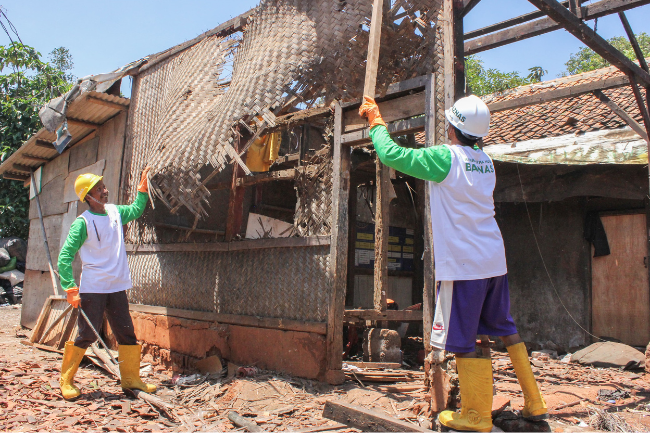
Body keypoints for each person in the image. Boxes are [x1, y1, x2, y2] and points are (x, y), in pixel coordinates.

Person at [359, 95, 547, 432]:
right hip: (493, 260)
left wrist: (376, 121)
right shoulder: (485, 161)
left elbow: (392, 155)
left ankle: (476, 417)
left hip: (464, 266)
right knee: (504, 328)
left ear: (453, 127)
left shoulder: (446, 158)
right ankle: (535, 402)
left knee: (464, 340)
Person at [57, 167, 156, 400]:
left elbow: (135, 209)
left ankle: (131, 380)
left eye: (103, 187)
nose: (105, 191)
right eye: (99, 189)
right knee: (87, 335)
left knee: (126, 333)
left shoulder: (114, 212)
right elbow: (64, 257)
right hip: (93, 287)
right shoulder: (82, 223)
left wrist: (142, 190)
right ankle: (66, 380)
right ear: (88, 196)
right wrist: (71, 288)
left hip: (117, 285)